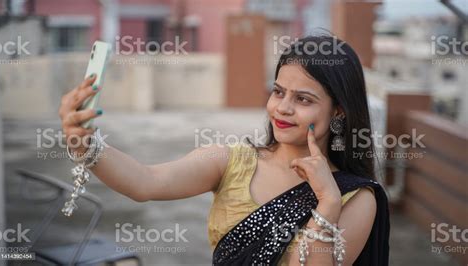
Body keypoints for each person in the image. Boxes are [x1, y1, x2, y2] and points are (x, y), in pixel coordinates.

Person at [58, 35, 390, 265]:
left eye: (303, 99)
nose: (282, 108)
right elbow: (146, 182)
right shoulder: (232, 161)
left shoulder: (356, 198)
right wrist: (85, 143)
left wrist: (327, 203)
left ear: (338, 112)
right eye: (278, 92)